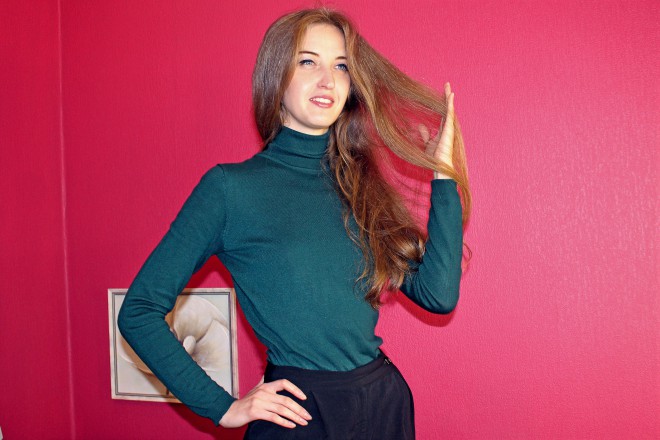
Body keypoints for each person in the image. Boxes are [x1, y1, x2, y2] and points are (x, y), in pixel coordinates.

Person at [118, 7, 471, 439]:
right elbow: (138, 312)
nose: (328, 80)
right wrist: (222, 408)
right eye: (308, 62)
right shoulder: (230, 189)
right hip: (299, 417)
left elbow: (438, 295)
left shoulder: (361, 187)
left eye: (341, 66)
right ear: (276, 77)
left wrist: (443, 174)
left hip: (383, 406)